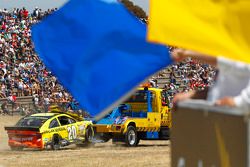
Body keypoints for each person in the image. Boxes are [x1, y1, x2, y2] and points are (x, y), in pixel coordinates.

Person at [172, 48, 250, 112]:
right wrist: (191, 95)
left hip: (238, 122)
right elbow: (219, 87)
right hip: (221, 118)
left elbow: (228, 63)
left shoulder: (243, 53)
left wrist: (187, 53)